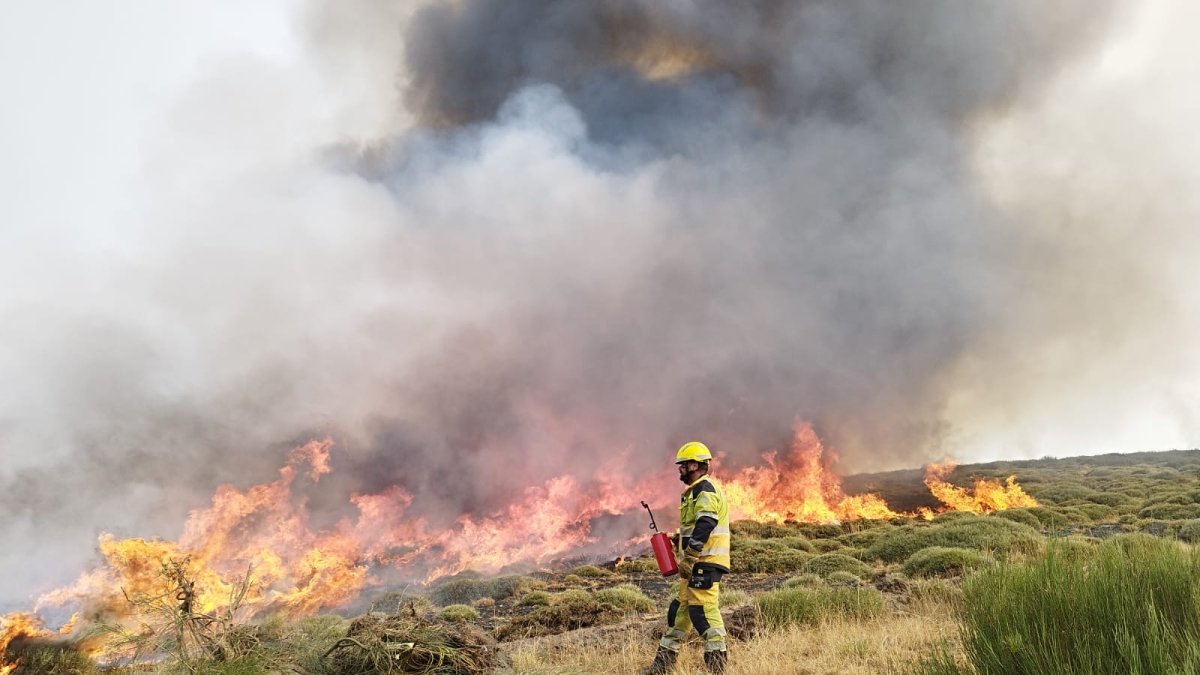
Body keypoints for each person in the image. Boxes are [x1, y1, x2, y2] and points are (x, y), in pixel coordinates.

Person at [642, 441, 731, 674]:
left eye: (682, 465)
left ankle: (717, 667)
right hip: (695, 564)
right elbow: (697, 527)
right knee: (679, 610)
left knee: (703, 612)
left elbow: (707, 522)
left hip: (704, 563)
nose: (679, 469)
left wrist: (690, 555)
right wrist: (679, 540)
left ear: (694, 465)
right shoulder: (694, 491)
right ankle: (662, 666)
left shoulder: (705, 489)